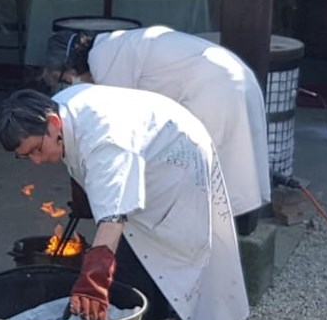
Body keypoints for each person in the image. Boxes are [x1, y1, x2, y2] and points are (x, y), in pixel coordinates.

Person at [0, 86, 248, 320]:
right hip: (158, 137)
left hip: (176, 162)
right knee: (144, 245)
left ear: (53, 124)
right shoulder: (56, 111)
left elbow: (113, 219)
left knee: (133, 255)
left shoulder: (105, 141)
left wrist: (93, 278)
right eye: (27, 156)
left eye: (37, 150)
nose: (37, 160)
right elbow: (85, 164)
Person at [56, 25, 272, 228]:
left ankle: (211, 236)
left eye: (66, 79)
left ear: (71, 66)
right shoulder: (115, 45)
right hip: (234, 75)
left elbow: (119, 127)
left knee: (205, 170)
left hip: (211, 88)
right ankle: (234, 225)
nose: (71, 84)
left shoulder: (103, 60)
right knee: (238, 162)